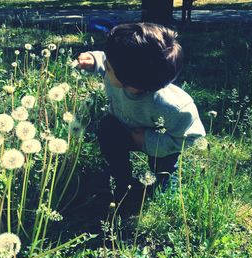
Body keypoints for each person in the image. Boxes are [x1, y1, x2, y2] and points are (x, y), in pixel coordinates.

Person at [77, 23, 205, 211]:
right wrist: (94, 59)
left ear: (131, 84)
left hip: (161, 141)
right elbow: (108, 60)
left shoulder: (174, 108)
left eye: (108, 67)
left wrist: (149, 140)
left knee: (162, 171)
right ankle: (121, 177)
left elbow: (190, 139)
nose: (105, 66)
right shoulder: (124, 71)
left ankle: (163, 185)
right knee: (107, 128)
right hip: (123, 127)